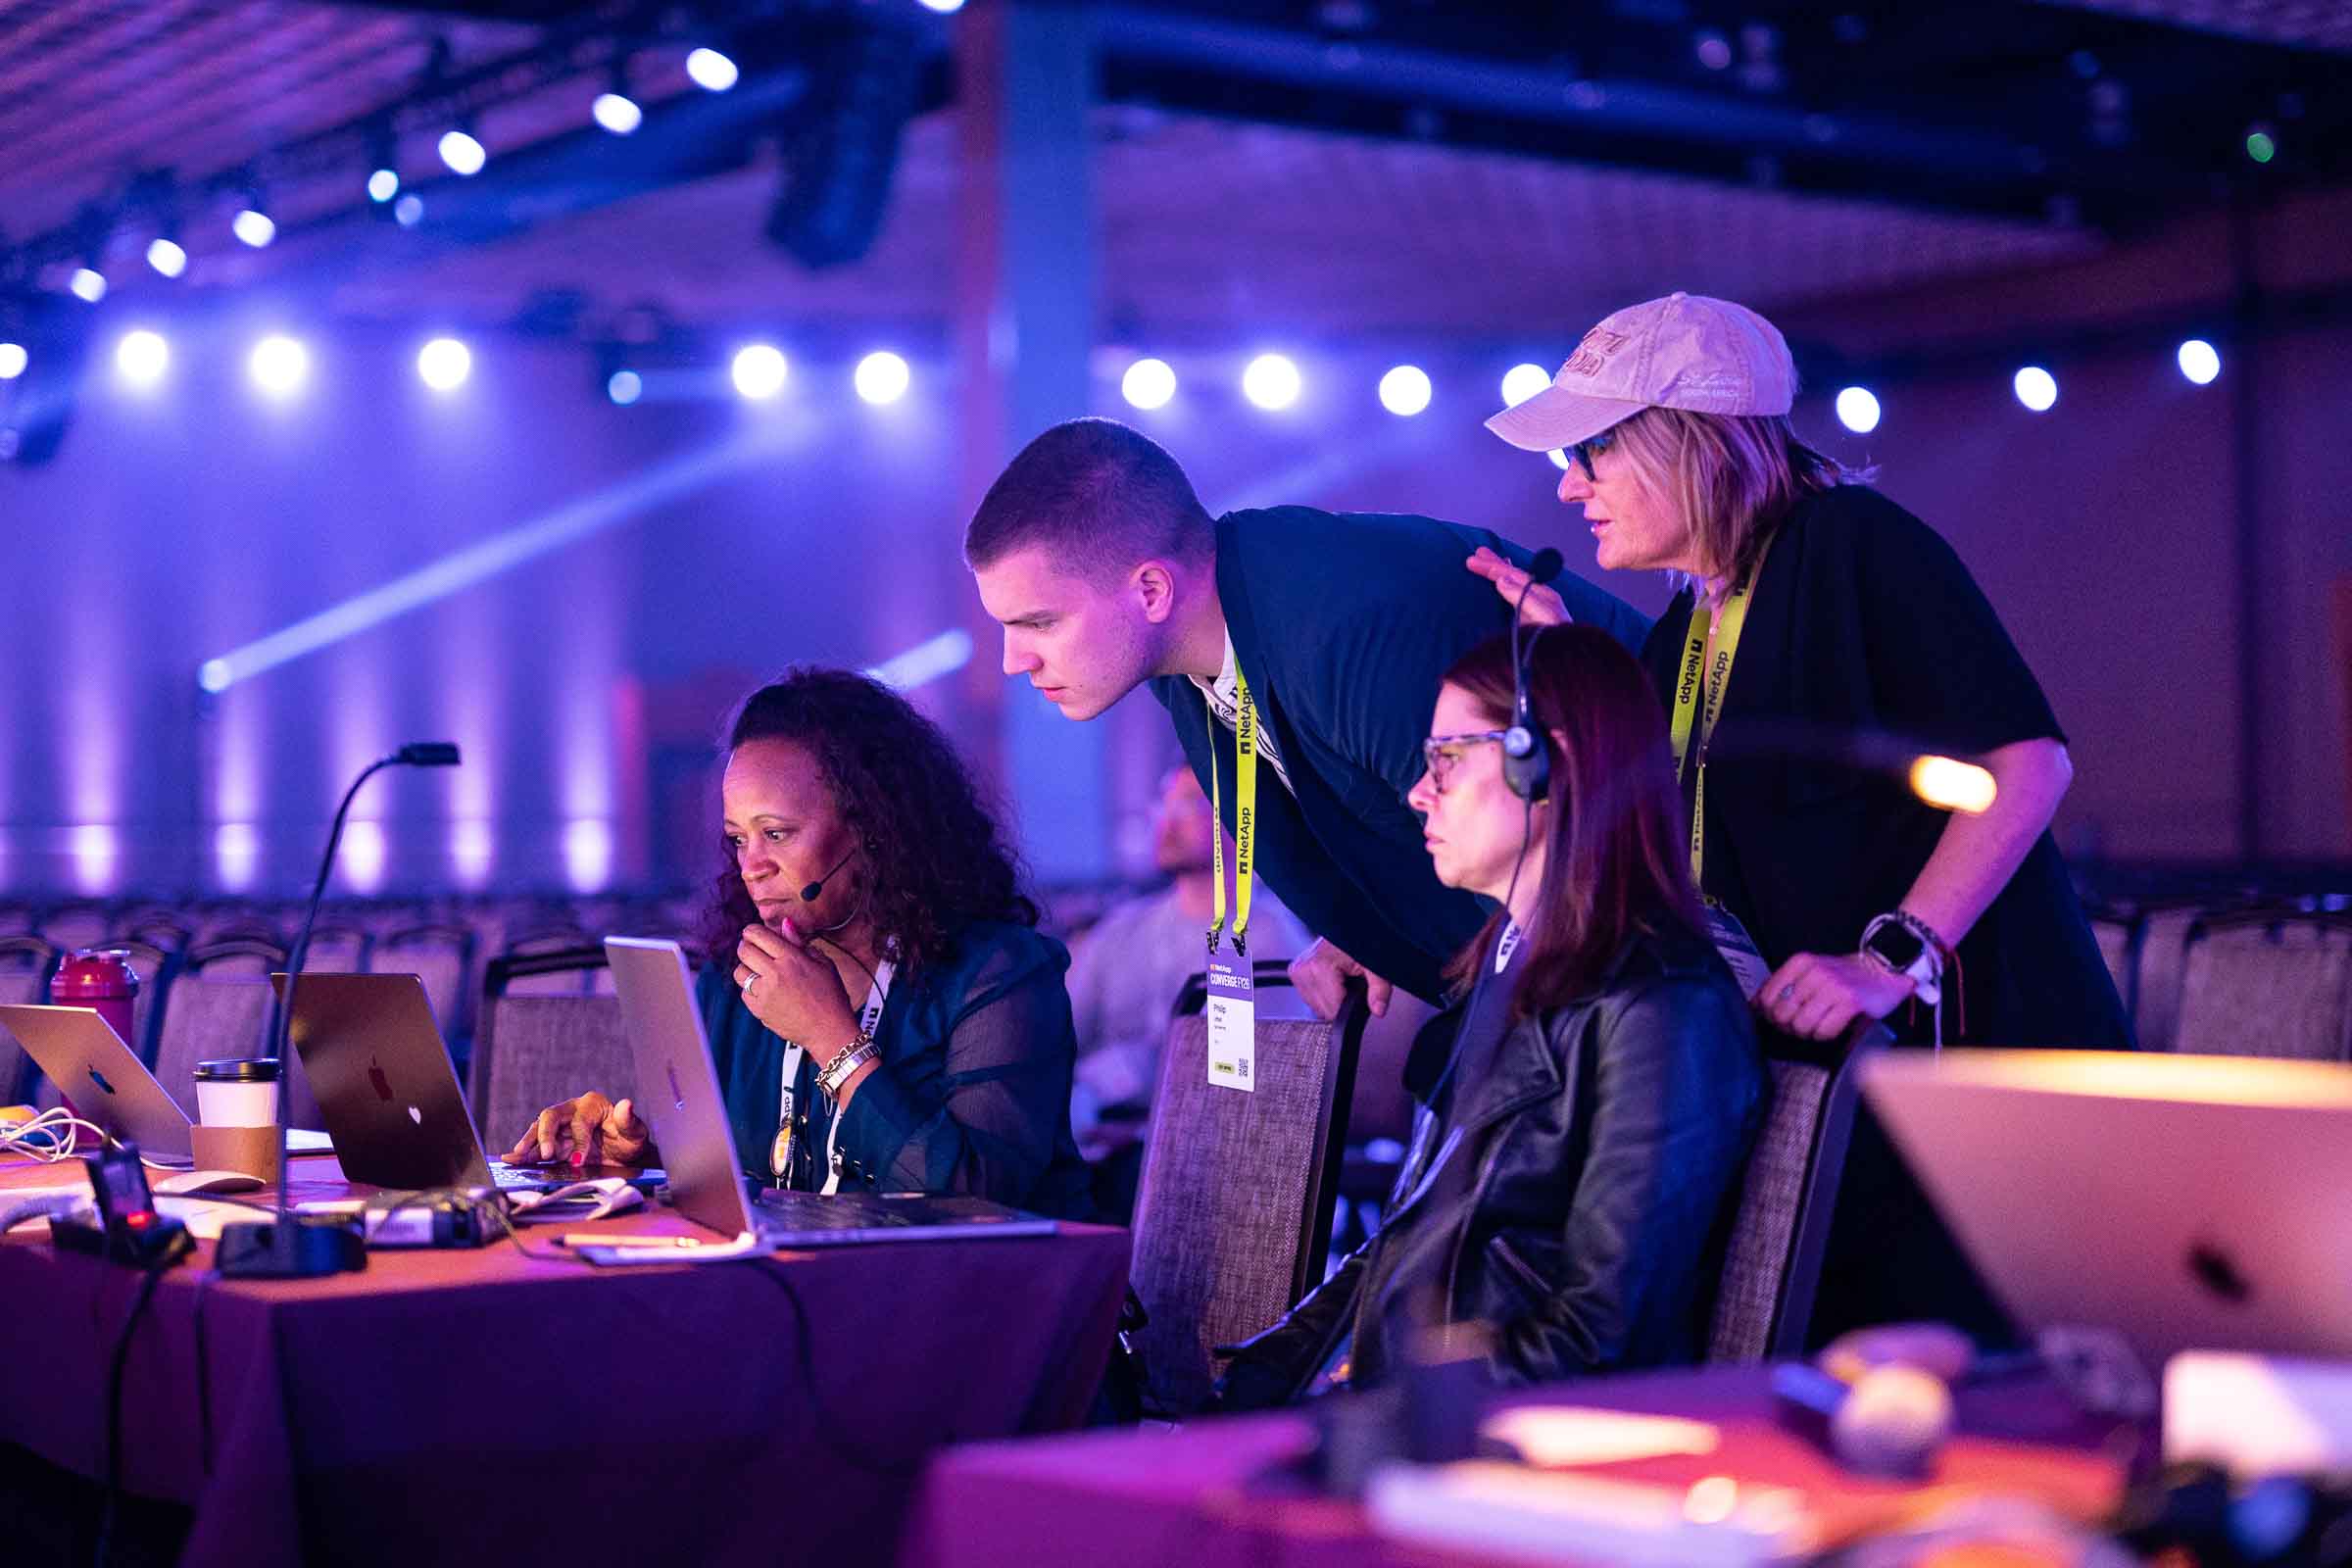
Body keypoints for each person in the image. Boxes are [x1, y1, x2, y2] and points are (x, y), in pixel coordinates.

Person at [1477, 290, 2132, 1340]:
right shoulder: (1689, 625)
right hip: (1847, 1098)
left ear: (1687, 441)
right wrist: (1565, 666)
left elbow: (2027, 765)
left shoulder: (1855, 545)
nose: (1569, 485)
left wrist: (1891, 955)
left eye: (1592, 452)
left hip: (1976, 1089)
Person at [1215, 626, 1764, 1407]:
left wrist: (1361, 1420)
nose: (1418, 792)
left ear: (1546, 766)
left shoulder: (1662, 1008)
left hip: (1510, 1448)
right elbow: (1399, 1252)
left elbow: (1598, 1342)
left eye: (1446, 759)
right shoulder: (1504, 971)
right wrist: (1248, 1389)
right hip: (1423, 1416)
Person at [965, 416, 1649, 1017]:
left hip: (1639, 944)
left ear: (1151, 590)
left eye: (1039, 622)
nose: (1013, 660)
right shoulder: (1183, 654)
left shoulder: (1341, 629)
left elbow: (1541, 869)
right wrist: (1367, 926)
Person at [508, 668, 1094, 1220]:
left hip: (967, 1288)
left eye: (776, 833)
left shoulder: (1000, 974)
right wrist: (640, 1160)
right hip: (798, 1282)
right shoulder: (737, 982)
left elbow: (979, 1203)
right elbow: (737, 1185)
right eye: (739, 839)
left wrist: (831, 1039)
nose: (752, 866)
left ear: (873, 829)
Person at [1064, 765, 1308, 1210]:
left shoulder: (1264, 937)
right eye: (1163, 804)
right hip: (1100, 1140)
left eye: (1191, 805)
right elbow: (1060, 1043)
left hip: (1205, 1161)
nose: (1167, 820)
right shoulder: (1121, 930)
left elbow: (1242, 1085)